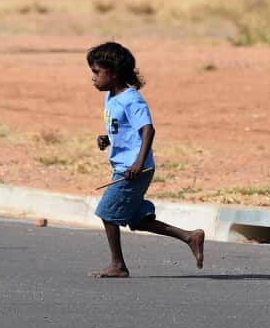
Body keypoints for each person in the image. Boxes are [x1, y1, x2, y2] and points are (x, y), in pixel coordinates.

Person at [86, 41, 204, 278]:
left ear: (115, 73)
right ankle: (189, 236)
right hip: (124, 165)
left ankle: (118, 265)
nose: (93, 78)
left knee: (107, 213)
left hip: (134, 169)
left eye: (97, 72)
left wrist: (139, 163)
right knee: (137, 220)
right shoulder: (111, 97)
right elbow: (123, 129)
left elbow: (147, 130)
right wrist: (108, 138)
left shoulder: (132, 99)